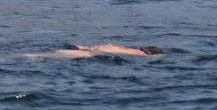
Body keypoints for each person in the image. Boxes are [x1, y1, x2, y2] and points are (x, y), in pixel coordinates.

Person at [31, 43, 165, 59]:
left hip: (87, 50)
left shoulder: (124, 47)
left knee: (39, 55)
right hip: (90, 54)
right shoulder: (138, 54)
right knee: (42, 56)